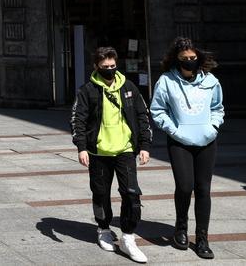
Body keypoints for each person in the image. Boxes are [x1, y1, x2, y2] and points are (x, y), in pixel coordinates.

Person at [71, 46, 153, 263]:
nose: (109, 69)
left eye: (113, 66)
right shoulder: (87, 90)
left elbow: (142, 115)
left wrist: (144, 145)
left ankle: (128, 236)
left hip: (125, 150)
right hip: (98, 152)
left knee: (131, 193)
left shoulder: (128, 87)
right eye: (105, 66)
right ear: (97, 66)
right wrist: (81, 147)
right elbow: (78, 119)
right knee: (100, 192)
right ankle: (103, 228)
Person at [150, 37, 224, 259]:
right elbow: (158, 110)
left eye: (193, 58)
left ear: (198, 58)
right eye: (185, 59)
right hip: (179, 140)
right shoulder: (166, 81)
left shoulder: (211, 80)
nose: (190, 61)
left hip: (207, 140)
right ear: (176, 60)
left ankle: (202, 238)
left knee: (203, 189)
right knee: (184, 186)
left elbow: (218, 107)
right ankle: (180, 228)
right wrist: (174, 130)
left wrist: (213, 127)